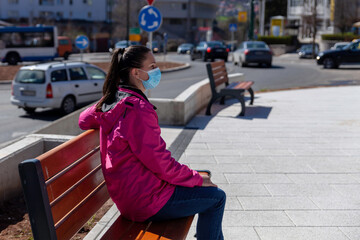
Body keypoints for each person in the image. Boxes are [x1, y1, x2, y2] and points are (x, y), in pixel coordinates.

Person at [78, 46, 226, 240]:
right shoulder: (138, 109)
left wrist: (107, 99)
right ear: (136, 73)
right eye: (153, 66)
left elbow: (83, 119)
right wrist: (196, 178)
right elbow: (160, 163)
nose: (157, 71)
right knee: (216, 197)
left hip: (130, 197)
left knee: (204, 180)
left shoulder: (115, 100)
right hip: (146, 202)